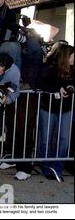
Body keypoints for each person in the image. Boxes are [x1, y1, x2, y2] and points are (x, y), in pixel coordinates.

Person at [36, 44, 74, 181]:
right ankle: (46, 168)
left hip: (67, 109)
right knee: (46, 138)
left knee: (64, 139)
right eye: (72, 55)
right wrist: (57, 89)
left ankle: (58, 168)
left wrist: (70, 86)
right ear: (66, 56)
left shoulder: (73, 70)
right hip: (48, 108)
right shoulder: (48, 67)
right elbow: (39, 84)